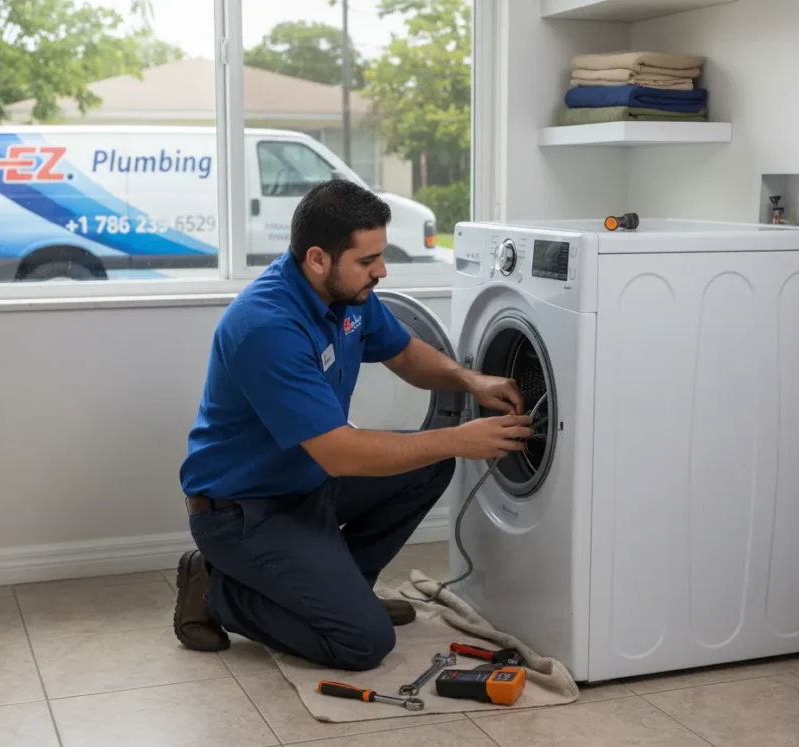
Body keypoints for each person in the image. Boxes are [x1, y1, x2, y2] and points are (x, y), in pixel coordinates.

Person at [173, 179, 533, 671]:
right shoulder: (267, 327)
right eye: (367, 261)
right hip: (243, 511)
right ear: (319, 258)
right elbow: (341, 453)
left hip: (306, 486)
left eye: (379, 256)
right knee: (363, 643)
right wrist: (457, 438)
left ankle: (342, 592)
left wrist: (470, 380)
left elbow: (403, 351)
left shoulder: (346, 298)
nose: (381, 271)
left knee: (430, 466)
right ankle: (217, 590)